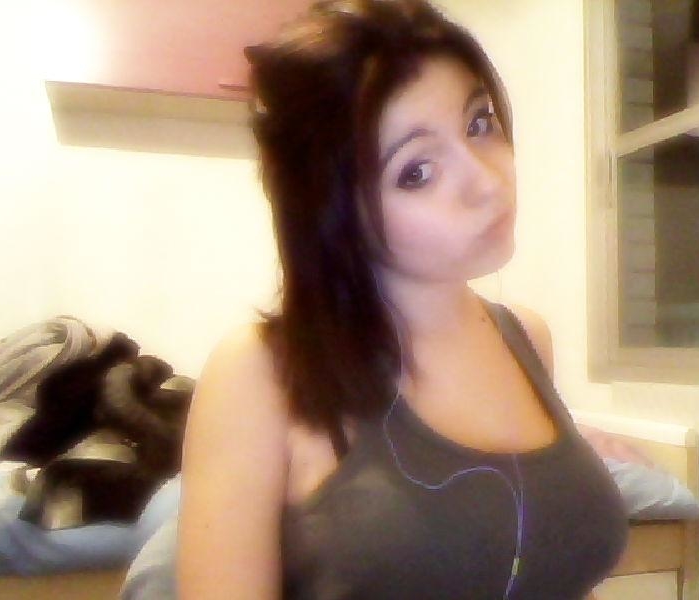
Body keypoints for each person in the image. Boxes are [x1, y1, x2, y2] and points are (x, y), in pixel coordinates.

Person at [176, 1, 629, 598]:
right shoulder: (260, 372)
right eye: (416, 172)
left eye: (479, 123)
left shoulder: (527, 338)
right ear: (334, 210)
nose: (487, 181)